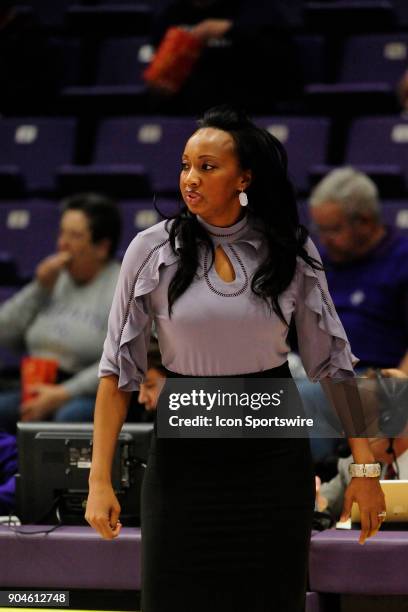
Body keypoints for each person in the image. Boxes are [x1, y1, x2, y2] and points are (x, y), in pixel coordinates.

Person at [86, 106, 385, 612]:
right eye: (185, 165)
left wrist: (365, 471)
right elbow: (117, 372)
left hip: (271, 458)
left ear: (244, 177)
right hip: (184, 457)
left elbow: (335, 366)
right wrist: (98, 479)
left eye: (207, 166)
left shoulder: (289, 249)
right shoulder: (150, 250)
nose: (190, 179)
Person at [0, 193, 121, 432]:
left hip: (87, 391)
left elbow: (119, 360)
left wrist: (64, 393)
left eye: (75, 236)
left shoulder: (121, 286)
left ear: (102, 247)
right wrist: (39, 288)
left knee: (69, 416)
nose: (62, 244)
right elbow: (4, 333)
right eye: (61, 233)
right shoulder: (52, 279)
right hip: (34, 385)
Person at [309, 167, 408, 370]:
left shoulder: (401, 259)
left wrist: (397, 388)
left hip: (371, 377)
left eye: (333, 229)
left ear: (365, 222)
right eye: (320, 229)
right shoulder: (320, 261)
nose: (324, 240)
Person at [149, 0, 304, 114]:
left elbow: (285, 65)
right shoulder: (171, 16)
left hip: (247, 114)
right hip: (189, 116)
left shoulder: (257, 11)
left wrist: (231, 30)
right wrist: (159, 85)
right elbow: (158, 76)